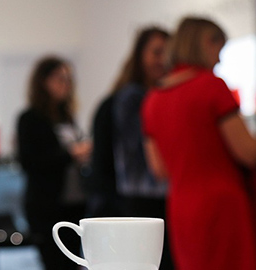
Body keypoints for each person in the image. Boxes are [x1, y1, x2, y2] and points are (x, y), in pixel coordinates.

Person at [142, 17, 256, 270]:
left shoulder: (152, 100)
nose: (219, 59)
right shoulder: (211, 86)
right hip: (222, 204)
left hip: (181, 207)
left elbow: (159, 170)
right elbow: (247, 152)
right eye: (219, 49)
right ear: (206, 43)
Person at [16, 56, 90, 270]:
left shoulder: (67, 117)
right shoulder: (30, 119)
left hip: (75, 203)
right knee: (56, 263)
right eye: (60, 78)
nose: (66, 84)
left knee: (74, 262)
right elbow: (29, 162)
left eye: (68, 79)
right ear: (43, 82)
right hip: (47, 207)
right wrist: (72, 154)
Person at [110, 27, 175, 270]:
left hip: (161, 194)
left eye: (167, 53)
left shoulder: (157, 94)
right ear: (140, 55)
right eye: (156, 52)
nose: (162, 60)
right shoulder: (133, 97)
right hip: (142, 196)